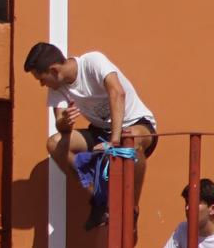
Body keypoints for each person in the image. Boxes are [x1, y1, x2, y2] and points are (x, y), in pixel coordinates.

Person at [23, 42, 158, 231]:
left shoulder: (92, 62)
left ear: (54, 70)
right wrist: (66, 122)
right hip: (100, 131)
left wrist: (114, 141)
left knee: (131, 139)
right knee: (55, 144)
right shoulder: (56, 88)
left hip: (135, 124)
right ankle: (100, 199)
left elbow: (117, 92)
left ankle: (131, 209)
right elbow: (60, 125)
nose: (41, 84)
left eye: (41, 79)